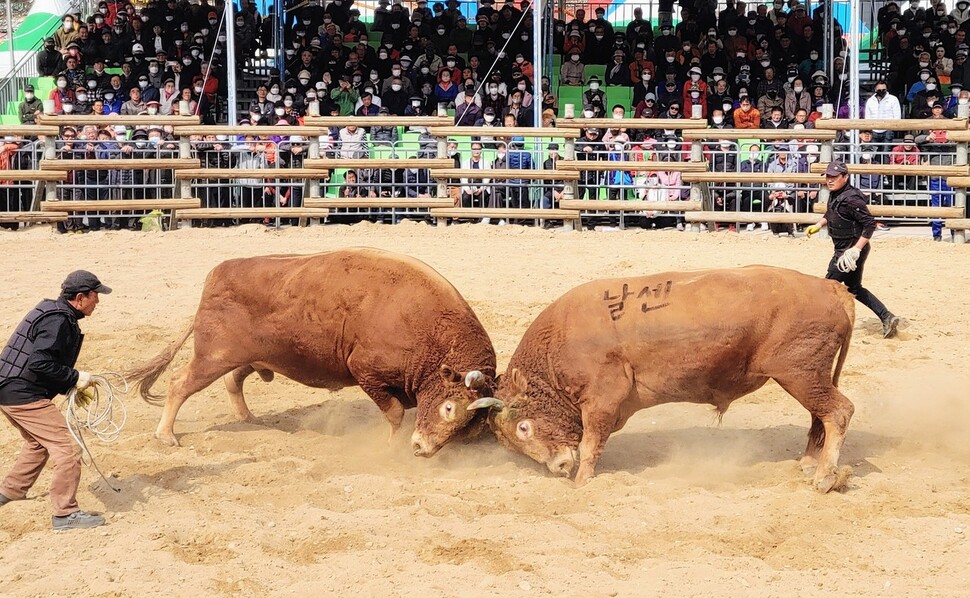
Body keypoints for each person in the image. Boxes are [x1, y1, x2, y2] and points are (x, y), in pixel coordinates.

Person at [0, 270, 111, 530]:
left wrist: (69, 382)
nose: (98, 302)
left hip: (8, 388)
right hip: (23, 393)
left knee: (38, 442)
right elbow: (39, 363)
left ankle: (11, 490)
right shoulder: (58, 321)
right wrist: (75, 378)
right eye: (95, 296)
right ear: (81, 297)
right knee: (68, 449)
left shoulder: (51, 311)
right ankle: (65, 514)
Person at [806, 161, 900, 338]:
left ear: (845, 177)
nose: (830, 180)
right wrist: (819, 224)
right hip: (846, 248)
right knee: (854, 288)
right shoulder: (836, 194)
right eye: (828, 177)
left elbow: (869, 225)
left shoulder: (851, 199)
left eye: (834, 177)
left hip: (849, 251)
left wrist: (855, 250)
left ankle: (817, 325)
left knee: (826, 287)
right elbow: (831, 212)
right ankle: (887, 317)